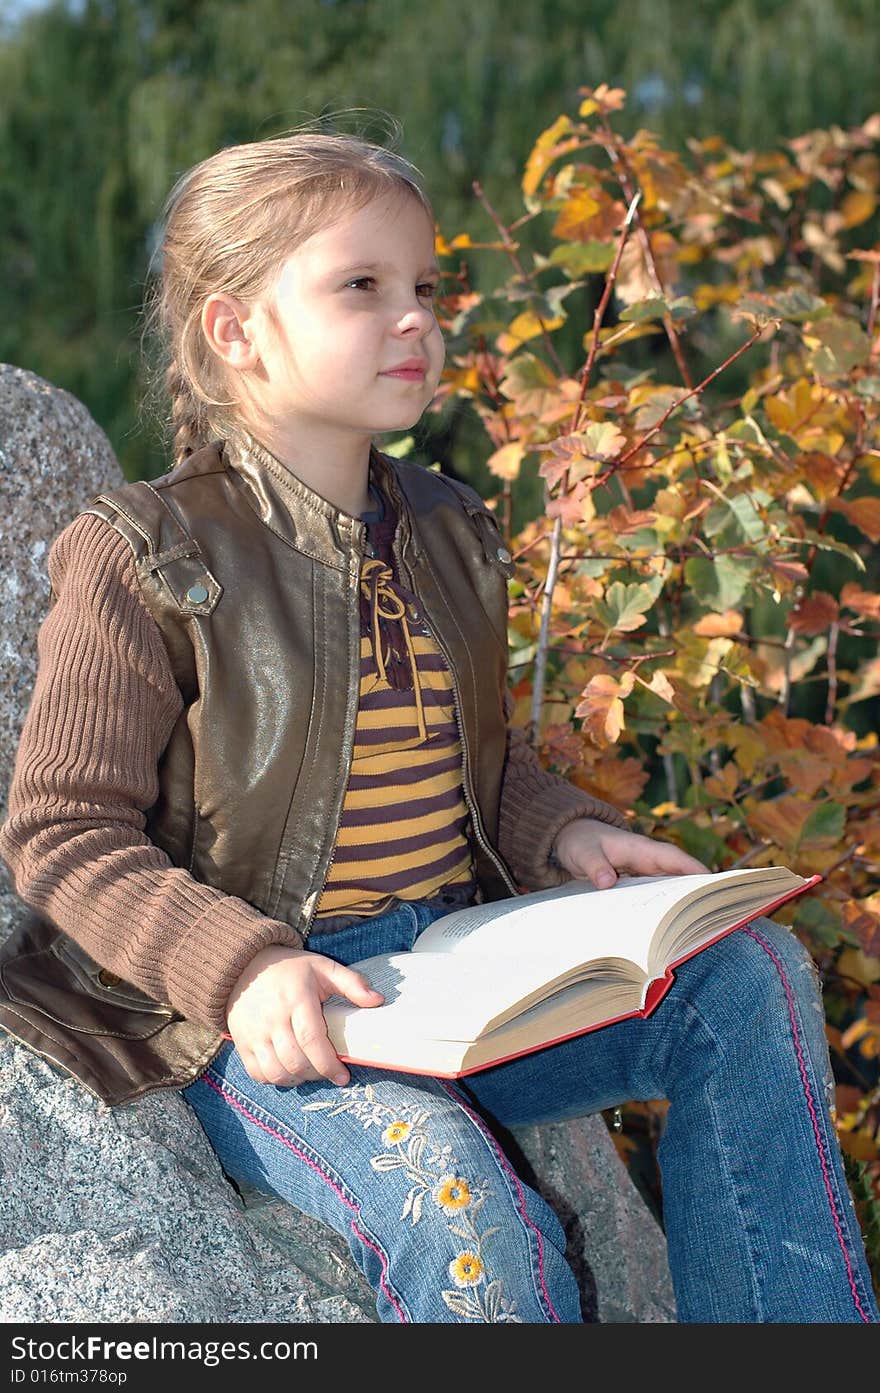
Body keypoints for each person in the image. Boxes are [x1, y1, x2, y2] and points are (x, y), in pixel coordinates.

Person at [0, 127, 877, 1327]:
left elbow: (478, 760)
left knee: (748, 974)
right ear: (234, 329)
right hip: (270, 1011)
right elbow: (64, 833)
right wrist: (241, 965)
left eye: (425, 287)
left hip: (457, 976)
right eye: (362, 287)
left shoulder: (450, 529)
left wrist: (566, 835)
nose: (415, 318)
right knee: (471, 1224)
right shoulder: (148, 551)